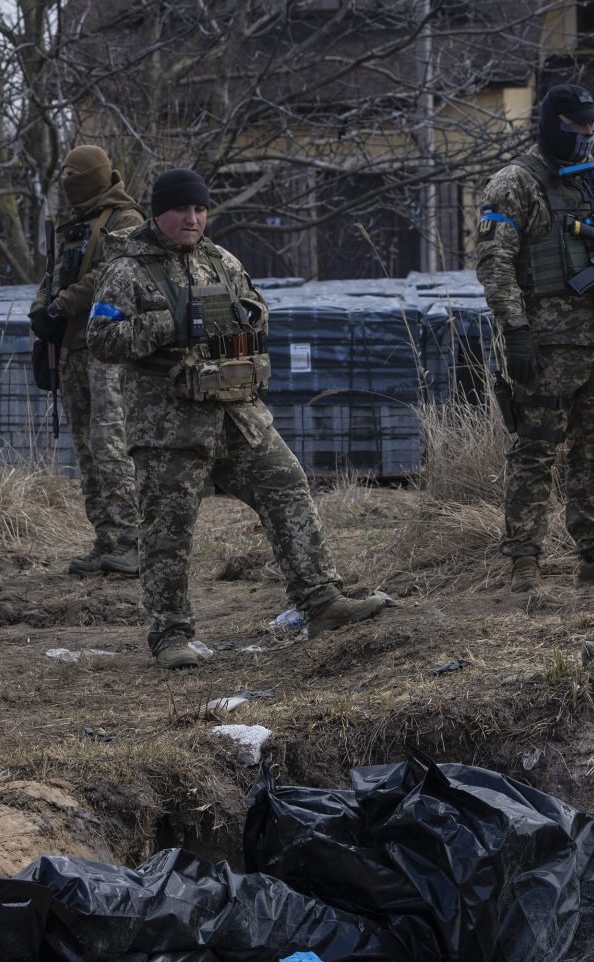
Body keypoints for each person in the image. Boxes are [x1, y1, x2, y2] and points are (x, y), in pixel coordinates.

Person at [85, 167, 389, 668]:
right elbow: (102, 340)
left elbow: (258, 313)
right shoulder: (127, 270)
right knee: (168, 529)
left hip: (237, 414)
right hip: (169, 426)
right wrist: (173, 322)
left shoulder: (221, 260)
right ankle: (170, 635)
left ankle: (321, 601)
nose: (192, 218)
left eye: (200, 209)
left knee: (286, 484)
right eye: (183, 209)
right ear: (159, 212)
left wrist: (245, 317)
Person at [474, 83, 594, 593]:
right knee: (535, 451)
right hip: (545, 345)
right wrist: (514, 331)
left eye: (591, 126)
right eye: (576, 126)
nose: (586, 135)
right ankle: (524, 560)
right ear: (553, 124)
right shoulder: (515, 184)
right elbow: (495, 265)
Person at [30, 145, 146, 577]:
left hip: (107, 349)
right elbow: (53, 277)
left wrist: (61, 305)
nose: (66, 183)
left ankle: (132, 541)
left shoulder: (126, 221)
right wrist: (41, 309)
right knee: (86, 448)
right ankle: (105, 540)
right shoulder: (73, 227)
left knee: (110, 443)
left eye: (73, 176)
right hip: (73, 352)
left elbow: (111, 274)